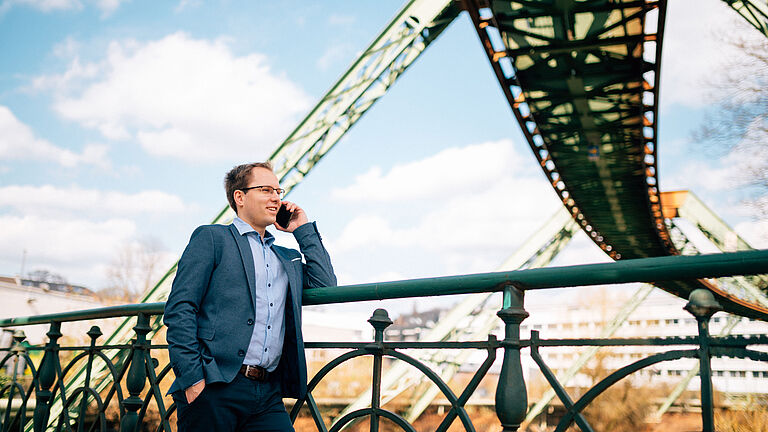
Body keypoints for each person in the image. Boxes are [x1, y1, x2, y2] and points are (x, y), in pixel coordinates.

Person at [164, 162, 337, 432]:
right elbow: (180, 308)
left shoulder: (285, 257)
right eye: (266, 190)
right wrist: (193, 378)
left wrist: (302, 229)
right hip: (214, 387)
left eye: (278, 190)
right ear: (240, 197)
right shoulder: (212, 238)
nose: (276, 197)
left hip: (268, 393)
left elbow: (326, 284)